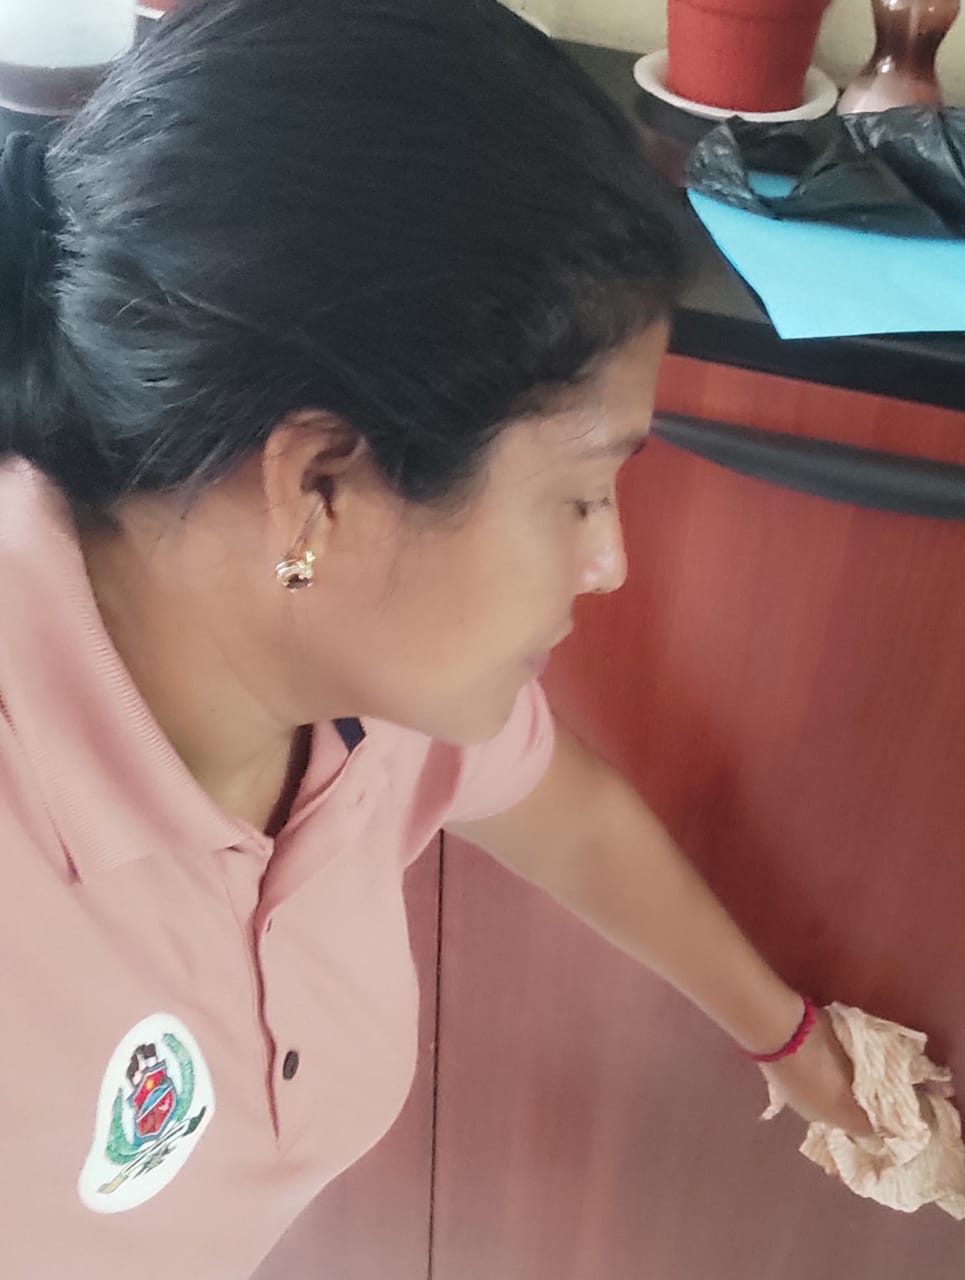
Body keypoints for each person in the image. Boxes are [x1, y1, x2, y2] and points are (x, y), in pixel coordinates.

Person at [0, 0, 872, 1273]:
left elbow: (560, 808)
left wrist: (784, 1038)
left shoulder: (348, 671)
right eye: (580, 492)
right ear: (321, 485)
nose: (610, 561)